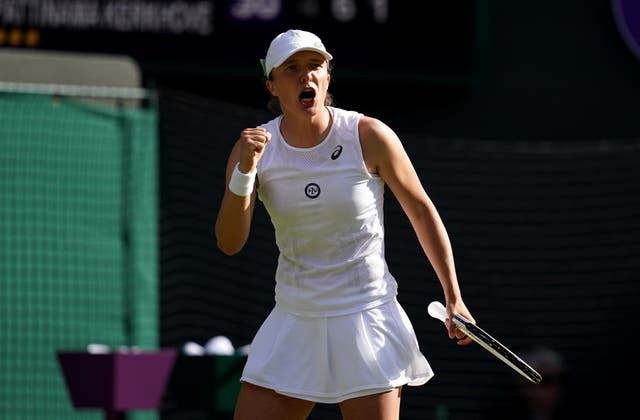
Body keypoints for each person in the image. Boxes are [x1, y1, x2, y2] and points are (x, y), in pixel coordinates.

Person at [215, 29, 475, 420]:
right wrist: (244, 173)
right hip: (294, 319)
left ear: (328, 76)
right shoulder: (252, 150)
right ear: (272, 84)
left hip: (366, 318)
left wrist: (453, 295)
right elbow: (230, 242)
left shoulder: (369, 135)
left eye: (315, 65)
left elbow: (421, 212)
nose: (307, 76)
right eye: (292, 69)